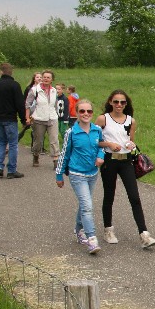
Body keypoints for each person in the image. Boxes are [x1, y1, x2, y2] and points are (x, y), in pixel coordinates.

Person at [96, 89, 155, 249]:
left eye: (122, 102)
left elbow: (130, 140)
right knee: (109, 196)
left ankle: (144, 234)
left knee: (134, 197)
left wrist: (131, 145)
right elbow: (94, 141)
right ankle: (108, 230)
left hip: (126, 161)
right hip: (109, 161)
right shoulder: (103, 119)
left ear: (126, 104)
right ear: (110, 102)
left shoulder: (131, 120)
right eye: (116, 101)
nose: (119, 105)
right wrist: (109, 144)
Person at [57, 99, 105, 254]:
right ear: (76, 113)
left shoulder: (97, 130)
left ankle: (79, 230)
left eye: (89, 111)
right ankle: (92, 239)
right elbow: (64, 154)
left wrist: (101, 156)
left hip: (92, 173)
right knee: (87, 206)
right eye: (82, 111)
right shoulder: (71, 132)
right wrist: (59, 174)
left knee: (85, 204)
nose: (86, 114)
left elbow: (102, 146)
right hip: (77, 174)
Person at [0, 63, 24, 178]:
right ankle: (11, 170)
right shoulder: (15, 85)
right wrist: (23, 119)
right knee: (13, 144)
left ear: (1, 72)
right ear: (11, 72)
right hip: (10, 118)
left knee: (2, 142)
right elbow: (20, 104)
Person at [26, 69, 60, 168]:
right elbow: (27, 104)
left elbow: (55, 105)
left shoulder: (54, 90)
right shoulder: (35, 90)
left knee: (54, 140)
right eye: (44, 77)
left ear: (52, 79)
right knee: (38, 141)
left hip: (52, 118)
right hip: (39, 119)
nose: (46, 79)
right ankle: (36, 155)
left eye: (48, 77)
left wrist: (57, 114)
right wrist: (27, 118)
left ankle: (56, 160)